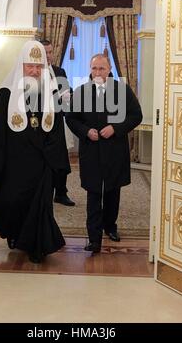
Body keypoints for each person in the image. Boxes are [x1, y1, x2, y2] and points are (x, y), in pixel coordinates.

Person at [0, 40, 70, 263]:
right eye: (30, 65)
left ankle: (37, 247)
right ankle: (16, 236)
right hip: (14, 164)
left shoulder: (51, 94)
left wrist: (50, 155)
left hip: (42, 163)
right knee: (11, 202)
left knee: (40, 206)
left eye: (39, 66)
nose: (34, 71)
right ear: (21, 65)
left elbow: (57, 129)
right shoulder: (5, 95)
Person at [66, 54, 142, 253]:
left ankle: (110, 226)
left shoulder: (122, 90)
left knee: (112, 192)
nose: (98, 72)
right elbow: (71, 119)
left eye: (101, 68)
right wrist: (85, 132)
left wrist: (115, 128)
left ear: (109, 70)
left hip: (115, 151)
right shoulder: (81, 92)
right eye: (94, 68)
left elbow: (136, 116)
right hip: (91, 151)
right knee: (93, 193)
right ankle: (94, 238)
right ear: (90, 70)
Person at [41, 39, 75, 207]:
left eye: (50, 52)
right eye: (45, 52)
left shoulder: (59, 71)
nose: (48, 56)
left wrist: (69, 95)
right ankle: (42, 192)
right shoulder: (33, 72)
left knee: (61, 159)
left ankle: (61, 193)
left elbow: (67, 93)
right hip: (39, 124)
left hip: (58, 121)